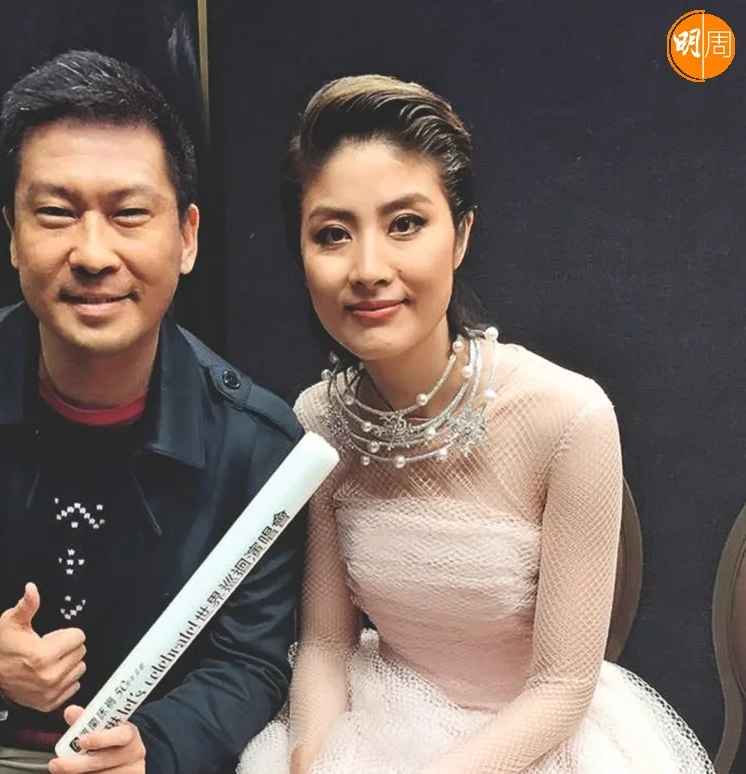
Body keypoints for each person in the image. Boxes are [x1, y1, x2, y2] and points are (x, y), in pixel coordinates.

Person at [0, 50, 305, 774]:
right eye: (55, 213)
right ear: (12, 233)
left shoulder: (259, 446)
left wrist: (158, 746)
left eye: (129, 214)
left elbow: (252, 662)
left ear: (187, 237)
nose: (92, 253)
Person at [238, 75, 713, 773]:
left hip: (537, 740)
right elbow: (327, 646)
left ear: (460, 235)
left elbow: (563, 686)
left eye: (405, 224)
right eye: (332, 234)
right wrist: (312, 757)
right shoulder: (320, 418)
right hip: (377, 721)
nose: (368, 268)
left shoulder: (570, 416)